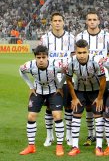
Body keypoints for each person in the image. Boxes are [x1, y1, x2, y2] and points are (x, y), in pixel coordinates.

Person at [19, 45, 65, 156]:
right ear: (35, 57)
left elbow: (66, 71)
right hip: (38, 91)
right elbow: (20, 70)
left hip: (53, 91)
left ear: (47, 57)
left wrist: (59, 86)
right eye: (38, 57)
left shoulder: (55, 64)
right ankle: (31, 146)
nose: (41, 60)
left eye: (43, 57)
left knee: (57, 115)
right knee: (31, 116)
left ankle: (59, 146)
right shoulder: (29, 65)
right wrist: (30, 86)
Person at [75, 11, 109, 146]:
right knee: (89, 108)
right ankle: (91, 135)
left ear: (99, 21)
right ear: (86, 21)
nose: (92, 22)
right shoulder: (80, 36)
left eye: (94, 19)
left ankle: (100, 135)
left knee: (101, 107)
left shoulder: (107, 36)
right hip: (84, 79)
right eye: (89, 19)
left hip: (103, 78)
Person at [65, 39, 106, 156]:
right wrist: (74, 97)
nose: (82, 55)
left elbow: (103, 80)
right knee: (76, 116)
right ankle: (75, 146)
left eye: (84, 52)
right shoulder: (71, 63)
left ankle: (98, 146)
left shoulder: (96, 61)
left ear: (88, 51)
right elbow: (68, 80)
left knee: (98, 116)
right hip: (80, 90)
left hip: (95, 90)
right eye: (79, 53)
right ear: (75, 52)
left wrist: (99, 98)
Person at [40, 12, 75, 146]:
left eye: (60, 20)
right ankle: (49, 136)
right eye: (55, 21)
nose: (57, 23)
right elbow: (41, 58)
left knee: (68, 107)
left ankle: (69, 135)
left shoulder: (71, 38)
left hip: (67, 79)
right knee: (49, 108)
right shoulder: (45, 38)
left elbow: (73, 57)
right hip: (50, 79)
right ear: (51, 23)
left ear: (63, 22)